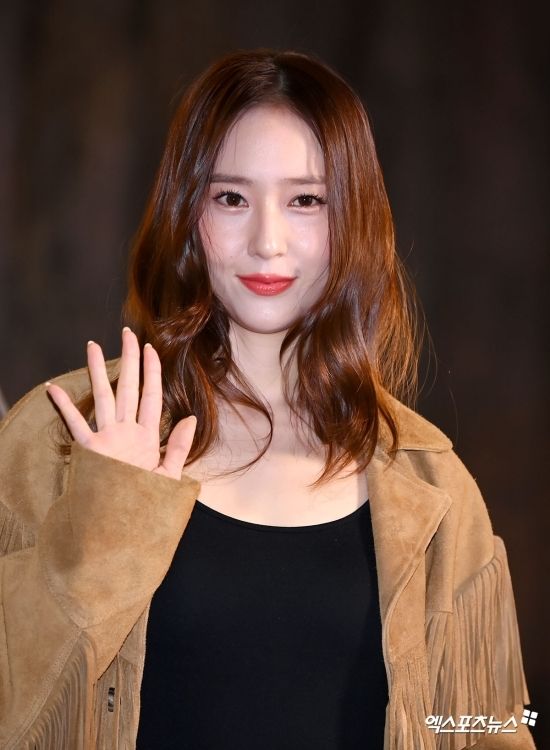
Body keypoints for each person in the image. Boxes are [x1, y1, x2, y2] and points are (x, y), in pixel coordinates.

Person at [0, 49, 536, 750]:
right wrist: (100, 534)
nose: (267, 242)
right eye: (231, 198)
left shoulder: (431, 484)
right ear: (186, 211)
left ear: (354, 220)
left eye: (306, 200)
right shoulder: (61, 441)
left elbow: (490, 726)